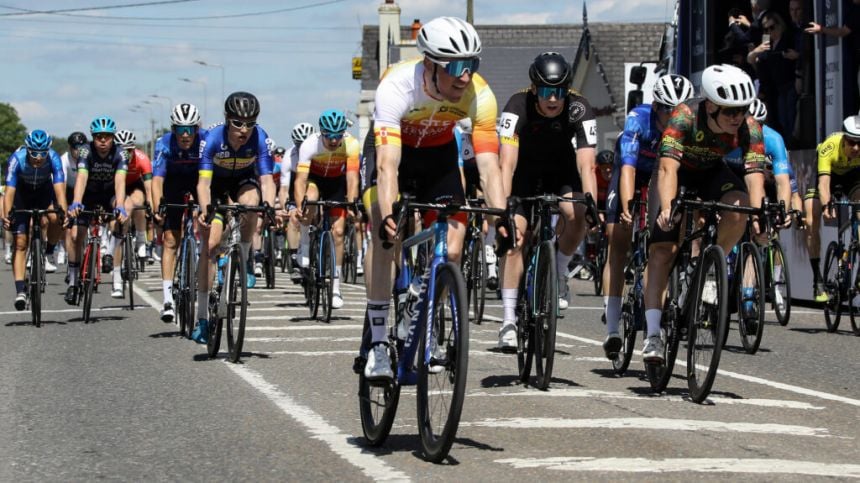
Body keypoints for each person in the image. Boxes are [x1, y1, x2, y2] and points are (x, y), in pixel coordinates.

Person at [360, 16, 507, 380]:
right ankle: (378, 344)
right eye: (456, 66)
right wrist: (389, 211)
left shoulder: (480, 95)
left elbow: (489, 167)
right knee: (385, 236)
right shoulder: (396, 86)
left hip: (438, 158)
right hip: (395, 155)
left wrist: (501, 218)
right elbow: (388, 165)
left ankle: (419, 304)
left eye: (472, 65)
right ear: (430, 64)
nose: (464, 76)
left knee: (453, 248)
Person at [642, 64, 765, 362]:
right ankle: (653, 335)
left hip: (711, 172)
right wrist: (669, 207)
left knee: (740, 206)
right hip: (676, 172)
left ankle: (711, 264)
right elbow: (669, 167)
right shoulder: (684, 116)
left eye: (742, 109)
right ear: (709, 106)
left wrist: (759, 215)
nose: (737, 117)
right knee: (663, 248)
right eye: (729, 111)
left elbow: (754, 174)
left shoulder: (749, 127)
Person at [496, 51, 598, 347]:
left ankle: (559, 271)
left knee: (576, 213)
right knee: (515, 238)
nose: (552, 99)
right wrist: (504, 205)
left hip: (561, 171)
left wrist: (590, 201)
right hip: (523, 174)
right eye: (544, 91)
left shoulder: (580, 107)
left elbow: (586, 163)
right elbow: (507, 163)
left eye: (558, 92)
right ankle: (508, 321)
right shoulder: (517, 105)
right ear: (533, 89)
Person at [600, 74, 693, 359]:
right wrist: (627, 207)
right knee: (618, 238)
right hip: (631, 166)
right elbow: (627, 168)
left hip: (660, 173)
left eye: (678, 109)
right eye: (667, 109)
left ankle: (654, 328)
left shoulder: (688, 125)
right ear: (655, 106)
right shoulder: (638, 119)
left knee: (664, 237)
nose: (672, 115)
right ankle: (613, 326)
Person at [192, 92, 276, 344]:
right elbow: (203, 184)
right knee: (210, 247)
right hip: (216, 185)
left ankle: (245, 256)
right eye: (238, 123)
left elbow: (266, 180)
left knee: (252, 204)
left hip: (243, 181)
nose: (244, 129)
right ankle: (202, 318)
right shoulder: (212, 139)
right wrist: (205, 208)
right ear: (228, 120)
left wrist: (269, 206)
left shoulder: (260, 138)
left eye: (250, 123)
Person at [292, 110, 360, 309]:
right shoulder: (309, 145)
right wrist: (298, 206)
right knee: (310, 200)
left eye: (337, 135)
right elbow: (300, 180)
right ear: (321, 132)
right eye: (329, 135)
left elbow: (352, 178)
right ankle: (305, 244)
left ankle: (336, 287)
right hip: (315, 179)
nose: (333, 140)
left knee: (338, 232)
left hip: (337, 183)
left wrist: (351, 201)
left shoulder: (352, 144)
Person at [66, 116, 130, 305]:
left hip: (109, 194)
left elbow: (120, 182)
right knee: (76, 235)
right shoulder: (85, 151)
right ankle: (72, 281)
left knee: (121, 218)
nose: (103, 141)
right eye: (99, 136)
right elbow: (82, 177)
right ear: (93, 137)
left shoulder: (121, 154)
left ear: (113, 137)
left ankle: (108, 253)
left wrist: (119, 205)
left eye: (107, 137)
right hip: (89, 194)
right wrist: (76, 202)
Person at [152, 103, 205, 322]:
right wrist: (158, 208)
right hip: (172, 184)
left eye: (190, 129)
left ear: (197, 129)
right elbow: (157, 180)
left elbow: (210, 177)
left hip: (198, 181)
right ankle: (167, 300)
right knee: (171, 240)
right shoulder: (163, 143)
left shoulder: (205, 140)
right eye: (181, 129)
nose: (185, 134)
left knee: (208, 218)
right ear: (173, 129)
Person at [1, 130, 67, 309]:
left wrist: (64, 213)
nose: (39, 157)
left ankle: (49, 253)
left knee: (56, 218)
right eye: (34, 153)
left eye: (43, 153)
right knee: (20, 242)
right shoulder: (17, 159)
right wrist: (7, 216)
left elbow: (60, 189)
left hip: (44, 192)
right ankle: (20, 290)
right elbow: (9, 193)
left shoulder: (54, 158)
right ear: (28, 149)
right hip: (22, 195)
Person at [803, 115, 860, 302]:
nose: (856, 148)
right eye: (851, 142)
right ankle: (817, 280)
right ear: (844, 139)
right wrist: (827, 204)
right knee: (811, 217)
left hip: (853, 178)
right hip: (828, 176)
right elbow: (824, 183)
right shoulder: (830, 146)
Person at [111, 129, 153, 298]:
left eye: (129, 150)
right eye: (122, 150)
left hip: (135, 185)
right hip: (116, 188)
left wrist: (151, 204)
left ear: (134, 149)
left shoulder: (142, 158)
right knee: (119, 222)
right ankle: (116, 280)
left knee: (139, 203)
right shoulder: (112, 159)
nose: (125, 154)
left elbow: (149, 186)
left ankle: (142, 239)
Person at [747, 11, 799, 143]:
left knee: (789, 115)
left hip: (789, 81)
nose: (770, 32)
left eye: (772, 27)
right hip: (774, 86)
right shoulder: (766, 43)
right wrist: (757, 51)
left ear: (779, 25)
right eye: (766, 29)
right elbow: (752, 59)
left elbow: (801, 55)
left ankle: (790, 142)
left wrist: (793, 56)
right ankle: (784, 143)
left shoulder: (788, 38)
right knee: (780, 118)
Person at [279, 122, 315, 283]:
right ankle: (294, 258)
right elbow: (284, 188)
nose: (303, 147)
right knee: (294, 218)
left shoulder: (317, 151)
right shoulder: (289, 156)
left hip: (313, 185)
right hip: (296, 190)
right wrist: (284, 206)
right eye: (299, 144)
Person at [58, 131, 88, 266]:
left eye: (81, 148)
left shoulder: (89, 156)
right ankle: (63, 247)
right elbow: (61, 187)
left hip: (85, 190)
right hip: (68, 191)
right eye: (75, 148)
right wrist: (64, 210)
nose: (78, 151)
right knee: (66, 224)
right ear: (70, 148)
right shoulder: (64, 160)